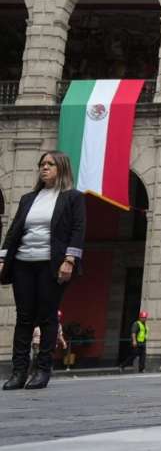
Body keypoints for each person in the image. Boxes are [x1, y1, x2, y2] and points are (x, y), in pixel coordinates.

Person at [0, 151, 85, 391]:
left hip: (52, 264)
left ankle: (42, 370)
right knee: (24, 317)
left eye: (50, 164)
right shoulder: (28, 198)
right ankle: (18, 372)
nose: (44, 168)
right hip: (22, 262)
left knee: (47, 318)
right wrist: (2, 259)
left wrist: (69, 260)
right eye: (42, 164)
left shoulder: (73, 198)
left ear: (61, 168)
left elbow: (78, 230)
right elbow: (14, 230)